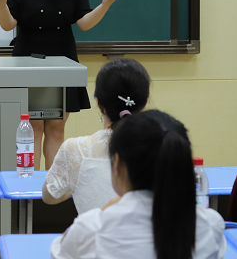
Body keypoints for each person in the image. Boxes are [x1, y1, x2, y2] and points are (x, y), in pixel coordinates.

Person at [0, 0, 125, 170]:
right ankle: (29, 186)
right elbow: (8, 25)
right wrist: (1, 3)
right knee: (33, 128)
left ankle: (50, 191)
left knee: (56, 127)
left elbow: (83, 23)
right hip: (27, 57)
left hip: (63, 58)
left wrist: (104, 6)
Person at [50, 110, 226, 259]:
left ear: (117, 163)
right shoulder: (210, 225)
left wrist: (103, 211)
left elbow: (59, 250)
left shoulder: (91, 229)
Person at [43, 58, 150, 213]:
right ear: (144, 104)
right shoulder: (164, 146)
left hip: (94, 237)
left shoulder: (75, 149)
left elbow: (49, 197)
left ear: (99, 104)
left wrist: (75, 182)